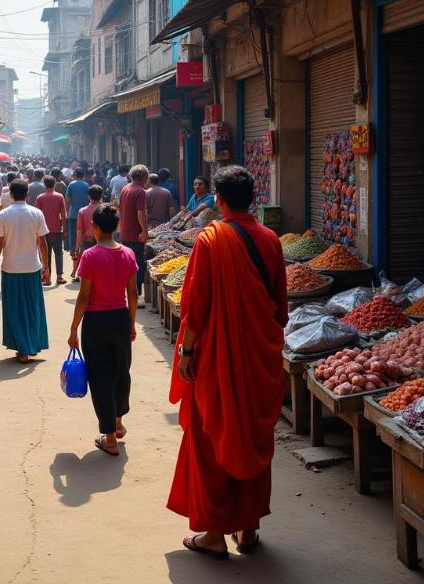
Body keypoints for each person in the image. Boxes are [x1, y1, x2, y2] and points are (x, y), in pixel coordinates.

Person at [167, 165, 287, 559]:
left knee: (211, 437)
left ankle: (215, 534)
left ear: (217, 200)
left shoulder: (211, 239)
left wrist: (187, 351)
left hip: (217, 357)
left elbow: (195, 306)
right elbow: (279, 308)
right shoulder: (270, 240)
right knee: (252, 434)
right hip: (259, 358)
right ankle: (247, 528)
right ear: (251, 198)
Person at [68, 204, 138, 456]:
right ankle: (118, 422)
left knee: (100, 378)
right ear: (117, 227)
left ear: (94, 228)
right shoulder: (129, 254)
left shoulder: (90, 256)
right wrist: (131, 322)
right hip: (119, 319)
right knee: (121, 372)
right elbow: (132, 292)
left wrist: (74, 328)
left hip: (96, 323)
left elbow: (84, 297)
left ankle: (109, 438)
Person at [0, 179, 50, 363]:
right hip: (32, 268)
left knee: (14, 309)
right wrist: (46, 266)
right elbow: (43, 243)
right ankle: (29, 346)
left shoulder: (3, 215)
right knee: (33, 308)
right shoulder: (36, 213)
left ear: (11, 195)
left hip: (11, 268)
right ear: (27, 195)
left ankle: (22, 349)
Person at [118, 165, 149, 307]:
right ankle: (135, 295)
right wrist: (145, 231)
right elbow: (141, 213)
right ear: (144, 178)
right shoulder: (140, 191)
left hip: (125, 232)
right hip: (135, 234)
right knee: (138, 265)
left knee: (127, 265)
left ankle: (127, 294)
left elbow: (120, 208)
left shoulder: (125, 189)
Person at [36, 175, 67, 285]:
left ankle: (47, 278)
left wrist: (36, 231)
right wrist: (65, 229)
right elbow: (63, 214)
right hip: (57, 229)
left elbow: (37, 215)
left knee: (46, 253)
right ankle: (59, 277)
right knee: (58, 253)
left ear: (45, 184)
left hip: (43, 231)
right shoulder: (59, 197)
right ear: (55, 184)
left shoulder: (40, 197)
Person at [65, 168, 90, 280]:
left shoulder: (71, 185)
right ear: (83, 175)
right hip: (85, 216)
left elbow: (67, 199)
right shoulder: (86, 185)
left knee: (74, 243)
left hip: (73, 216)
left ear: (75, 175)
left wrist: (66, 211)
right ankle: (81, 270)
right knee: (83, 242)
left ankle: (75, 270)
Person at [75, 184, 103, 257]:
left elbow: (79, 230)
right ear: (101, 196)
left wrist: (77, 247)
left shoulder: (82, 211)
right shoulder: (105, 210)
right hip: (102, 242)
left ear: (88, 196)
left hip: (87, 243)